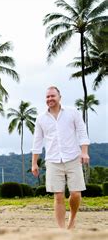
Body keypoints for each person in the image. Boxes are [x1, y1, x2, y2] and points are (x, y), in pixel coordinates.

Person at [31, 86, 90, 229]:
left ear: (59, 97)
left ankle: (72, 220)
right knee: (58, 196)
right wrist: (34, 163)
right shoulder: (41, 119)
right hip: (52, 160)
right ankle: (62, 230)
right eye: (47, 97)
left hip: (73, 158)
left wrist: (84, 151)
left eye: (53, 96)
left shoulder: (72, 113)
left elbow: (82, 132)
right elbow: (37, 142)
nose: (50, 99)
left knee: (76, 194)